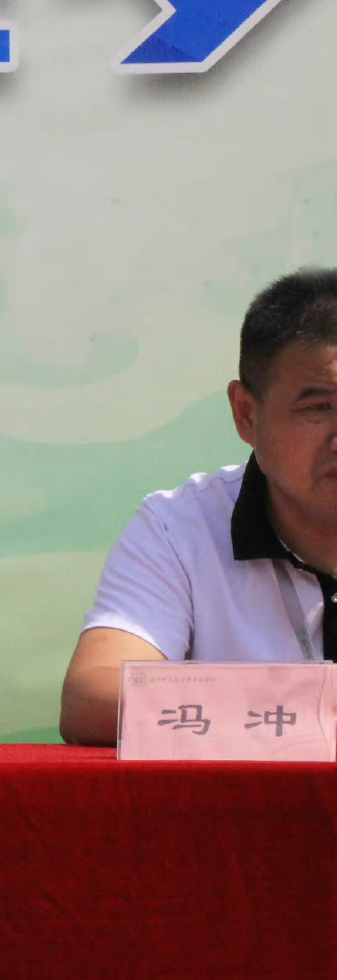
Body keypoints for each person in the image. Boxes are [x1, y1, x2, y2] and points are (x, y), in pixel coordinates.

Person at [61, 268, 337, 745]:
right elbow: (92, 696)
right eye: (320, 407)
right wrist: (305, 707)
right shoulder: (180, 529)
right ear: (246, 414)